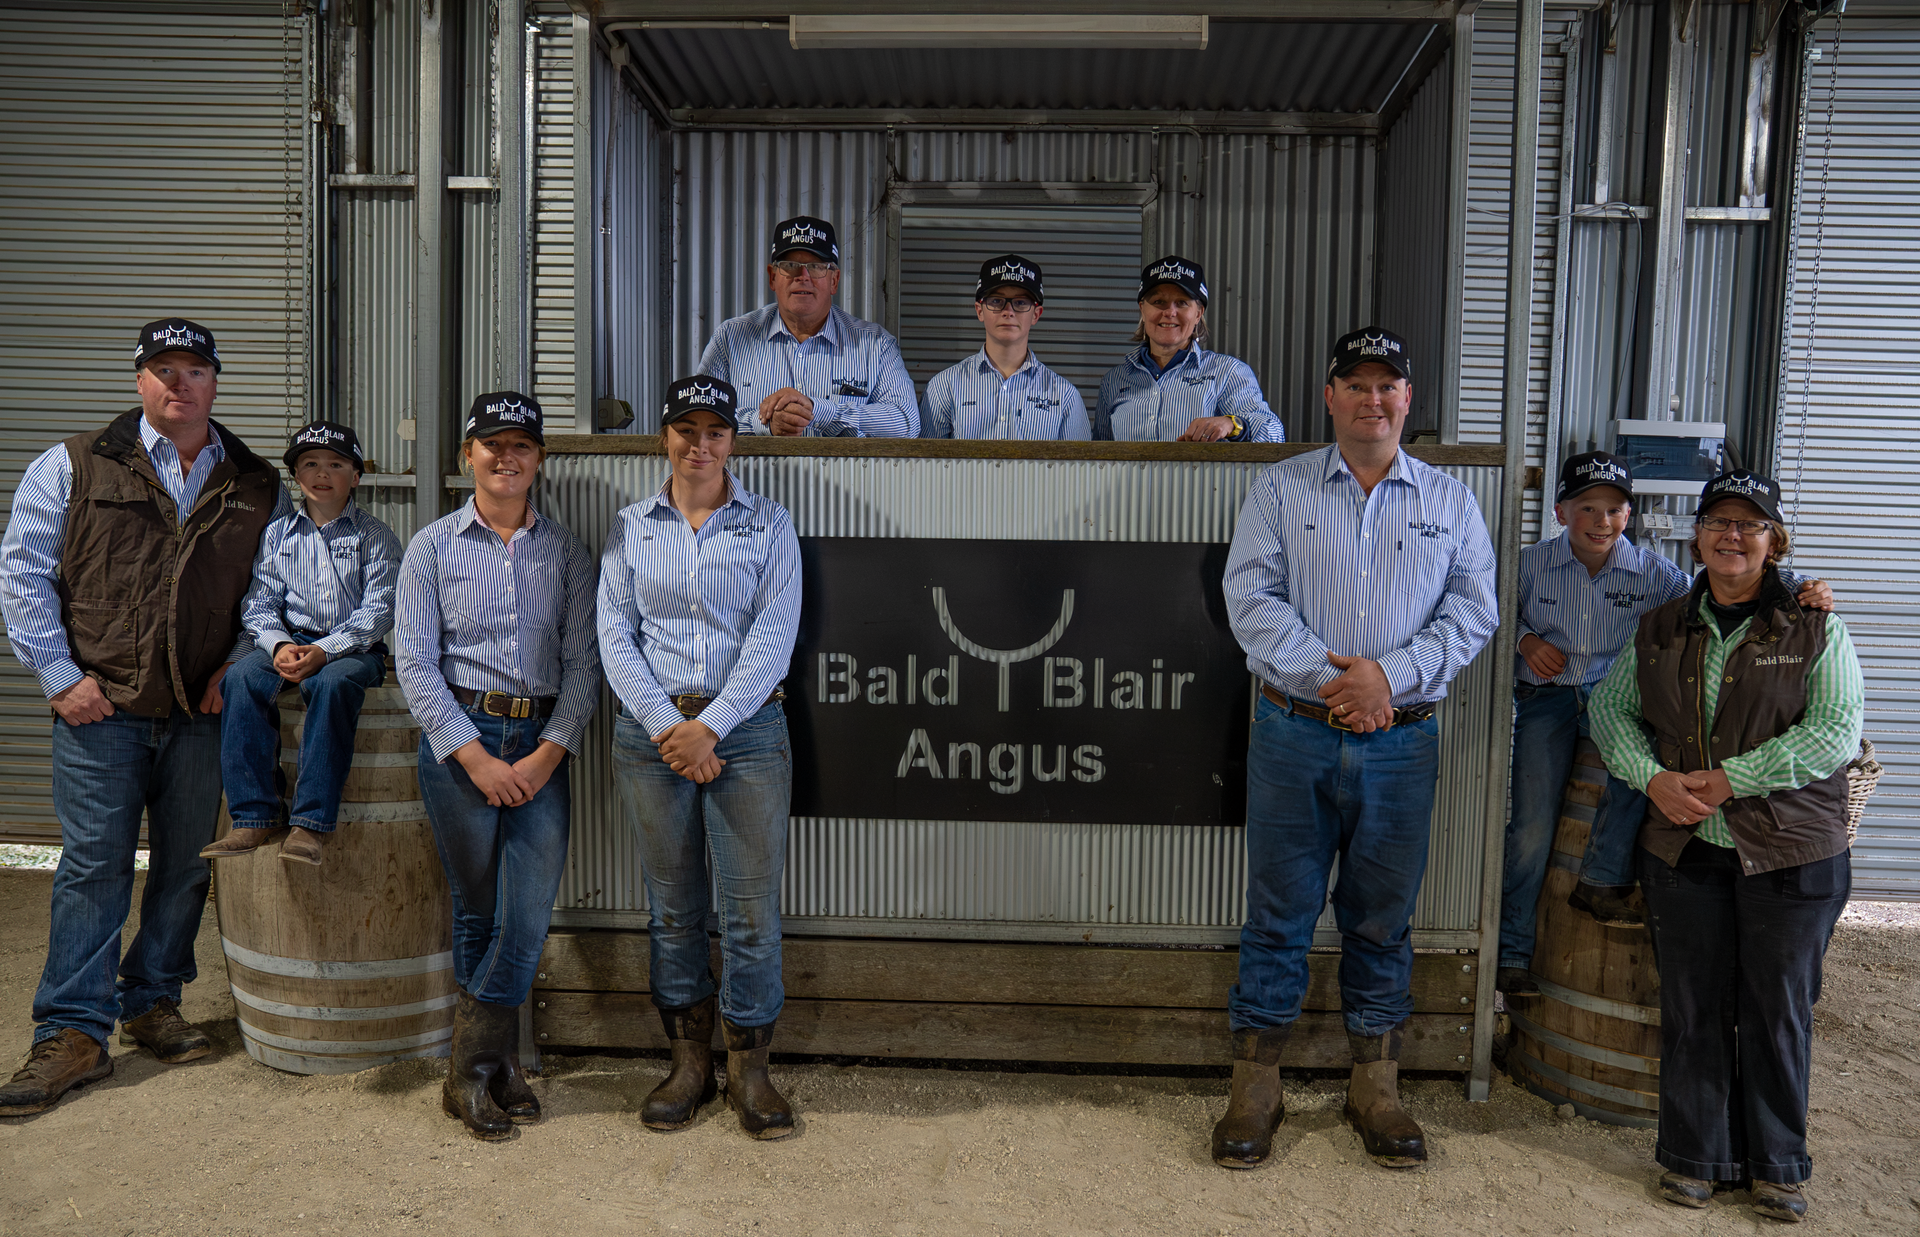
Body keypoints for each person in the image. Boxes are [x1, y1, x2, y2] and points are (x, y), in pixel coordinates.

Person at [1214, 327, 1496, 1170]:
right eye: (1357, 384)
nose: (1373, 400)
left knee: (1381, 919)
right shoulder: (1280, 489)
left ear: (1408, 398)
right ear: (1330, 395)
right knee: (1279, 913)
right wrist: (1335, 682)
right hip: (1292, 732)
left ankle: (1375, 1083)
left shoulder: (1449, 502)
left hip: (1403, 743)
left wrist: (1392, 679)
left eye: (1389, 386)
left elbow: (1473, 611)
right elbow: (1250, 596)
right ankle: (1254, 1084)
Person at [0, 319, 290, 1117]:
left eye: (194, 369)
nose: (179, 384)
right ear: (138, 382)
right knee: (94, 867)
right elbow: (23, 573)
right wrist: (61, 679)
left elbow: (271, 588)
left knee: (186, 866)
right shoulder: (74, 463)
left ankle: (153, 1000)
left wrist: (238, 659)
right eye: (162, 369)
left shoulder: (254, 480)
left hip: (203, 712)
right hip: (103, 710)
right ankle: (73, 1030)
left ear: (215, 383)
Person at [1589, 469, 1863, 1225]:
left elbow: (1834, 731)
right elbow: (1610, 711)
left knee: (1777, 1008)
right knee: (1692, 1004)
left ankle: (1777, 1163)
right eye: (1718, 522)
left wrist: (1726, 779)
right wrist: (1652, 779)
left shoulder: (1814, 625)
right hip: (1687, 852)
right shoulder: (1662, 623)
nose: (1731, 535)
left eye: (1750, 524)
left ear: (1775, 543)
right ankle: (1695, 1155)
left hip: (1791, 853)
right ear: (1697, 534)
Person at [1495, 454, 1833, 996]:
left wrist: (1801, 586)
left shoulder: (1655, 573)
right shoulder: (1525, 565)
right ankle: (1511, 953)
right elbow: (1489, 611)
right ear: (1560, 512)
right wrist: (1524, 641)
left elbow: (1728, 582)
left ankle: (1601, 879)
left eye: (1615, 509)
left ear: (1630, 515)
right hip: (1549, 699)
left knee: (1642, 769)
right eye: (1588, 508)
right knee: (1531, 826)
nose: (1602, 521)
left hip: (1622, 700)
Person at [599, 375, 804, 1140]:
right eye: (686, 429)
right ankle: (690, 1061)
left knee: (749, 910)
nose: (700, 443)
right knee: (674, 908)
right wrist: (669, 727)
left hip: (746, 732)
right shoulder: (629, 528)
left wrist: (710, 726)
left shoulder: (769, 524)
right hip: (652, 737)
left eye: (715, 430)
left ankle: (751, 1067)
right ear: (666, 439)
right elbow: (614, 637)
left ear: (733, 442)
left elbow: (773, 636)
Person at [394, 391, 600, 1140]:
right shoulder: (433, 549)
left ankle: (467, 1067)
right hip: (462, 740)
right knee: (477, 908)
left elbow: (585, 662)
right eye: (492, 444)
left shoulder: (566, 551)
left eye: (521, 445)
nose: (506, 457)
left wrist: (549, 752)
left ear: (538, 459)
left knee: (526, 913)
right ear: (466, 458)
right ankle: (500, 1065)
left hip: (541, 737)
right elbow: (414, 664)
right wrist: (474, 757)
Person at [205, 421, 402, 867]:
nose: (322, 473)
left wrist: (326, 651)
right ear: (295, 475)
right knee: (242, 678)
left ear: (355, 476)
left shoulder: (375, 536)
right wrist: (277, 647)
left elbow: (379, 611)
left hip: (355, 651)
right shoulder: (277, 534)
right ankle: (254, 814)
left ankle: (309, 823)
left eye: (336, 464)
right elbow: (259, 603)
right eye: (310, 463)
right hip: (289, 641)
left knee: (332, 685)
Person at [697, 215, 918, 437]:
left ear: (834, 280)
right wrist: (763, 423)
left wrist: (818, 411)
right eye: (790, 266)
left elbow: (907, 425)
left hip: (842, 473)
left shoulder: (876, 345)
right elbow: (701, 418)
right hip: (752, 473)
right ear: (773, 277)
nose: (802, 276)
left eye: (815, 267)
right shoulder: (730, 338)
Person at [1094, 256, 1283, 443]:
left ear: (1198, 313)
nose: (1169, 312)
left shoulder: (1228, 372)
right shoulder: (1114, 381)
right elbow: (1099, 457)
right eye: (1159, 302)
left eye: (1182, 302)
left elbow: (1274, 434)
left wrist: (1232, 424)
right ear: (1142, 309)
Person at [919, 255, 1090, 440]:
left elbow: (1078, 468)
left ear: (1036, 314)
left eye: (1021, 303)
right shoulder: (944, 388)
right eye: (996, 301)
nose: (1008, 312)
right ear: (979, 310)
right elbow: (928, 466)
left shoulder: (1065, 397)